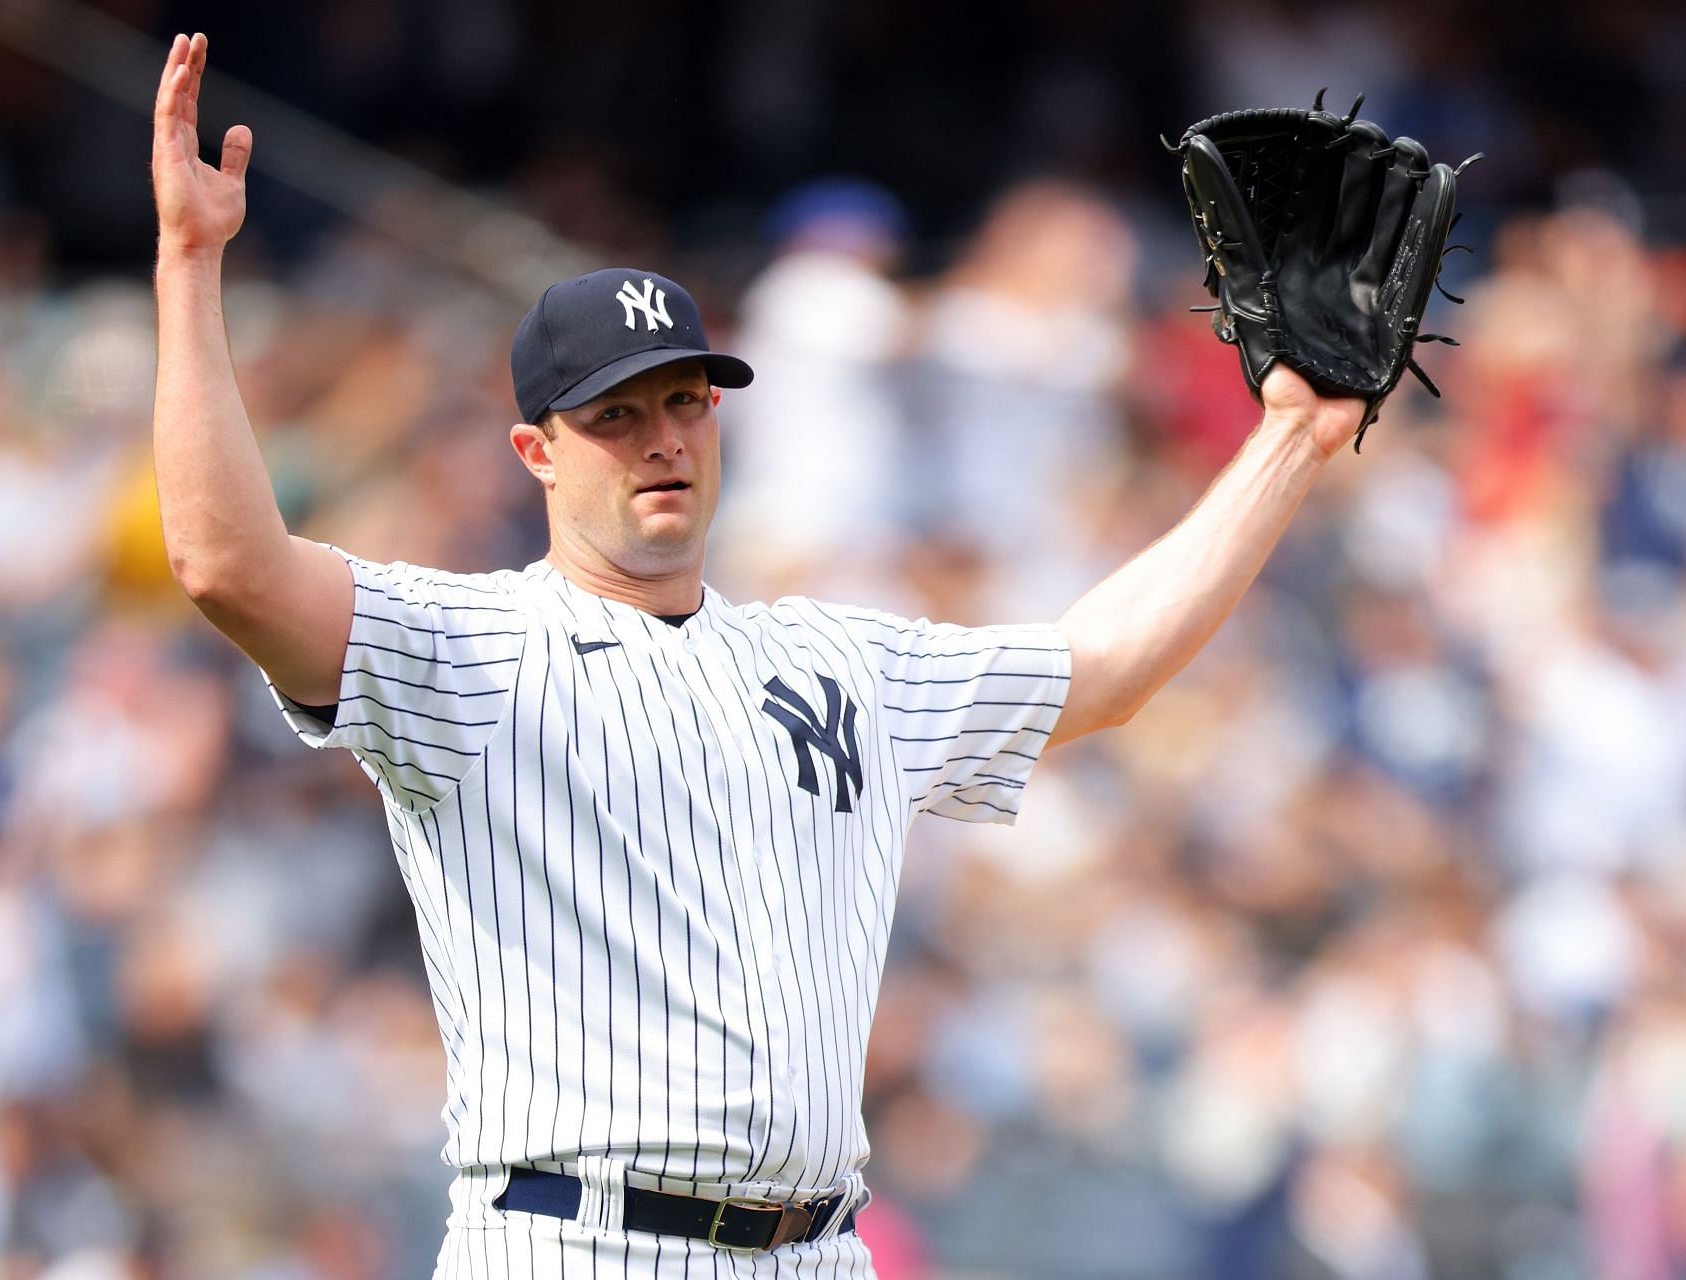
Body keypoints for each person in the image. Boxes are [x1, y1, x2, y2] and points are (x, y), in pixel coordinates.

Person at [151, 32, 1368, 1279]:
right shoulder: (472, 645)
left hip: (817, 1248)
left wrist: (1287, 442)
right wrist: (191, 269)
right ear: (538, 455)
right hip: (572, 1239)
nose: (662, 438)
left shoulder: (835, 656)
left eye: (684, 401)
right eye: (615, 415)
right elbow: (226, 565)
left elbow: (1104, 664)